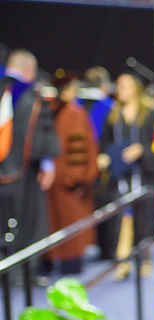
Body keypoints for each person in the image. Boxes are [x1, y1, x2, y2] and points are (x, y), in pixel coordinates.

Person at [97, 72, 154, 279]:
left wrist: (142, 150)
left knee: (144, 220)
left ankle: (144, 259)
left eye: (124, 85)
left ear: (135, 89)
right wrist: (104, 156)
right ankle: (122, 262)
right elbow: (104, 143)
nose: (119, 89)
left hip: (144, 175)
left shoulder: (149, 114)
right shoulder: (113, 115)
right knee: (121, 220)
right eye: (118, 85)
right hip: (119, 178)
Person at [0, 49, 59, 254]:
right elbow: (41, 136)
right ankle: (23, 275)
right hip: (23, 174)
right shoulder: (31, 93)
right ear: (29, 69)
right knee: (27, 221)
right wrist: (47, 163)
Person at [42, 71, 99, 275]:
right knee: (62, 221)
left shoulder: (60, 111)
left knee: (66, 221)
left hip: (63, 179)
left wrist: (76, 176)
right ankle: (64, 263)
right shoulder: (72, 112)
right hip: (66, 179)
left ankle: (64, 263)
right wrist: (77, 176)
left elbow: (80, 148)